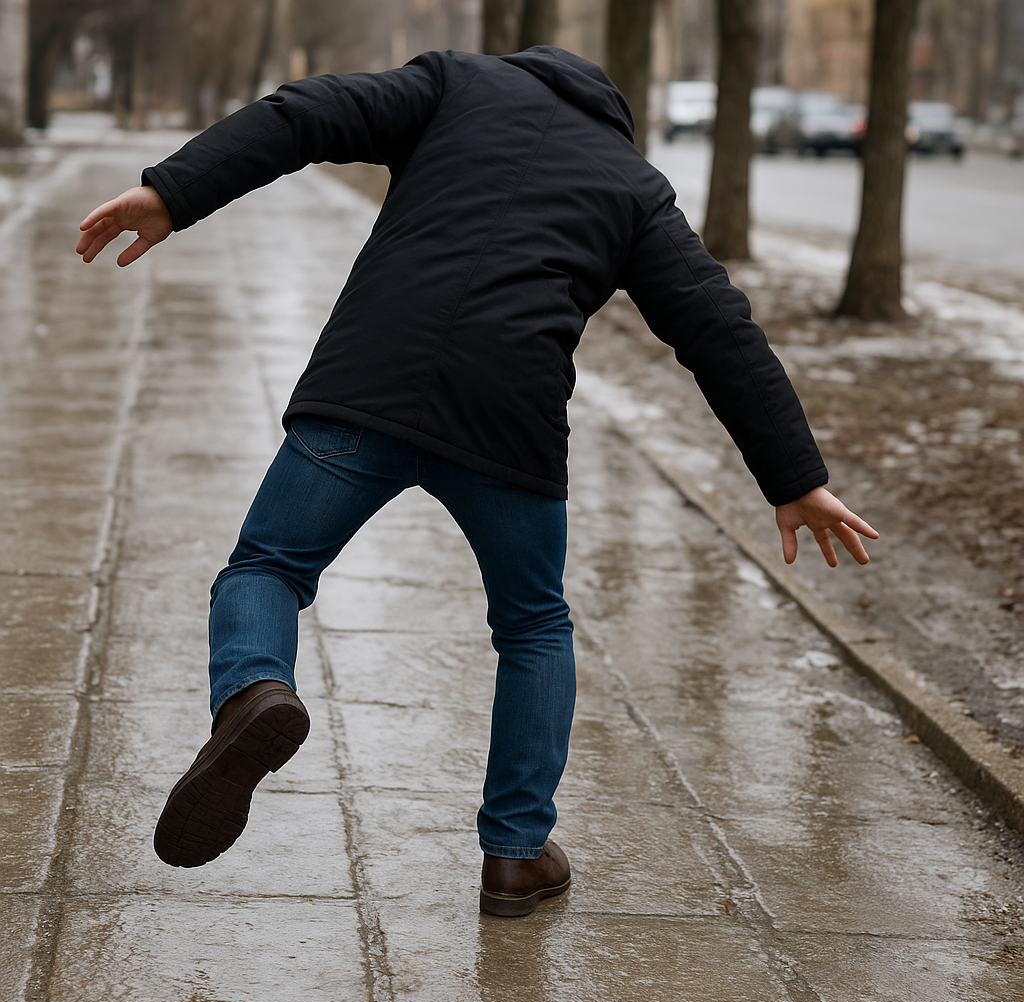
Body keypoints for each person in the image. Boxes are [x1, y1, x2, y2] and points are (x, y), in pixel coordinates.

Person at [76, 46, 878, 917]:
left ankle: (254, 693)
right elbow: (719, 327)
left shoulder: (456, 85)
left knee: (267, 567)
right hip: (509, 420)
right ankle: (515, 855)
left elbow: (303, 113)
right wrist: (793, 478)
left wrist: (173, 192)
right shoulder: (634, 185)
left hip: (369, 386)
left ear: (530, 66)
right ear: (615, 116)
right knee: (533, 625)